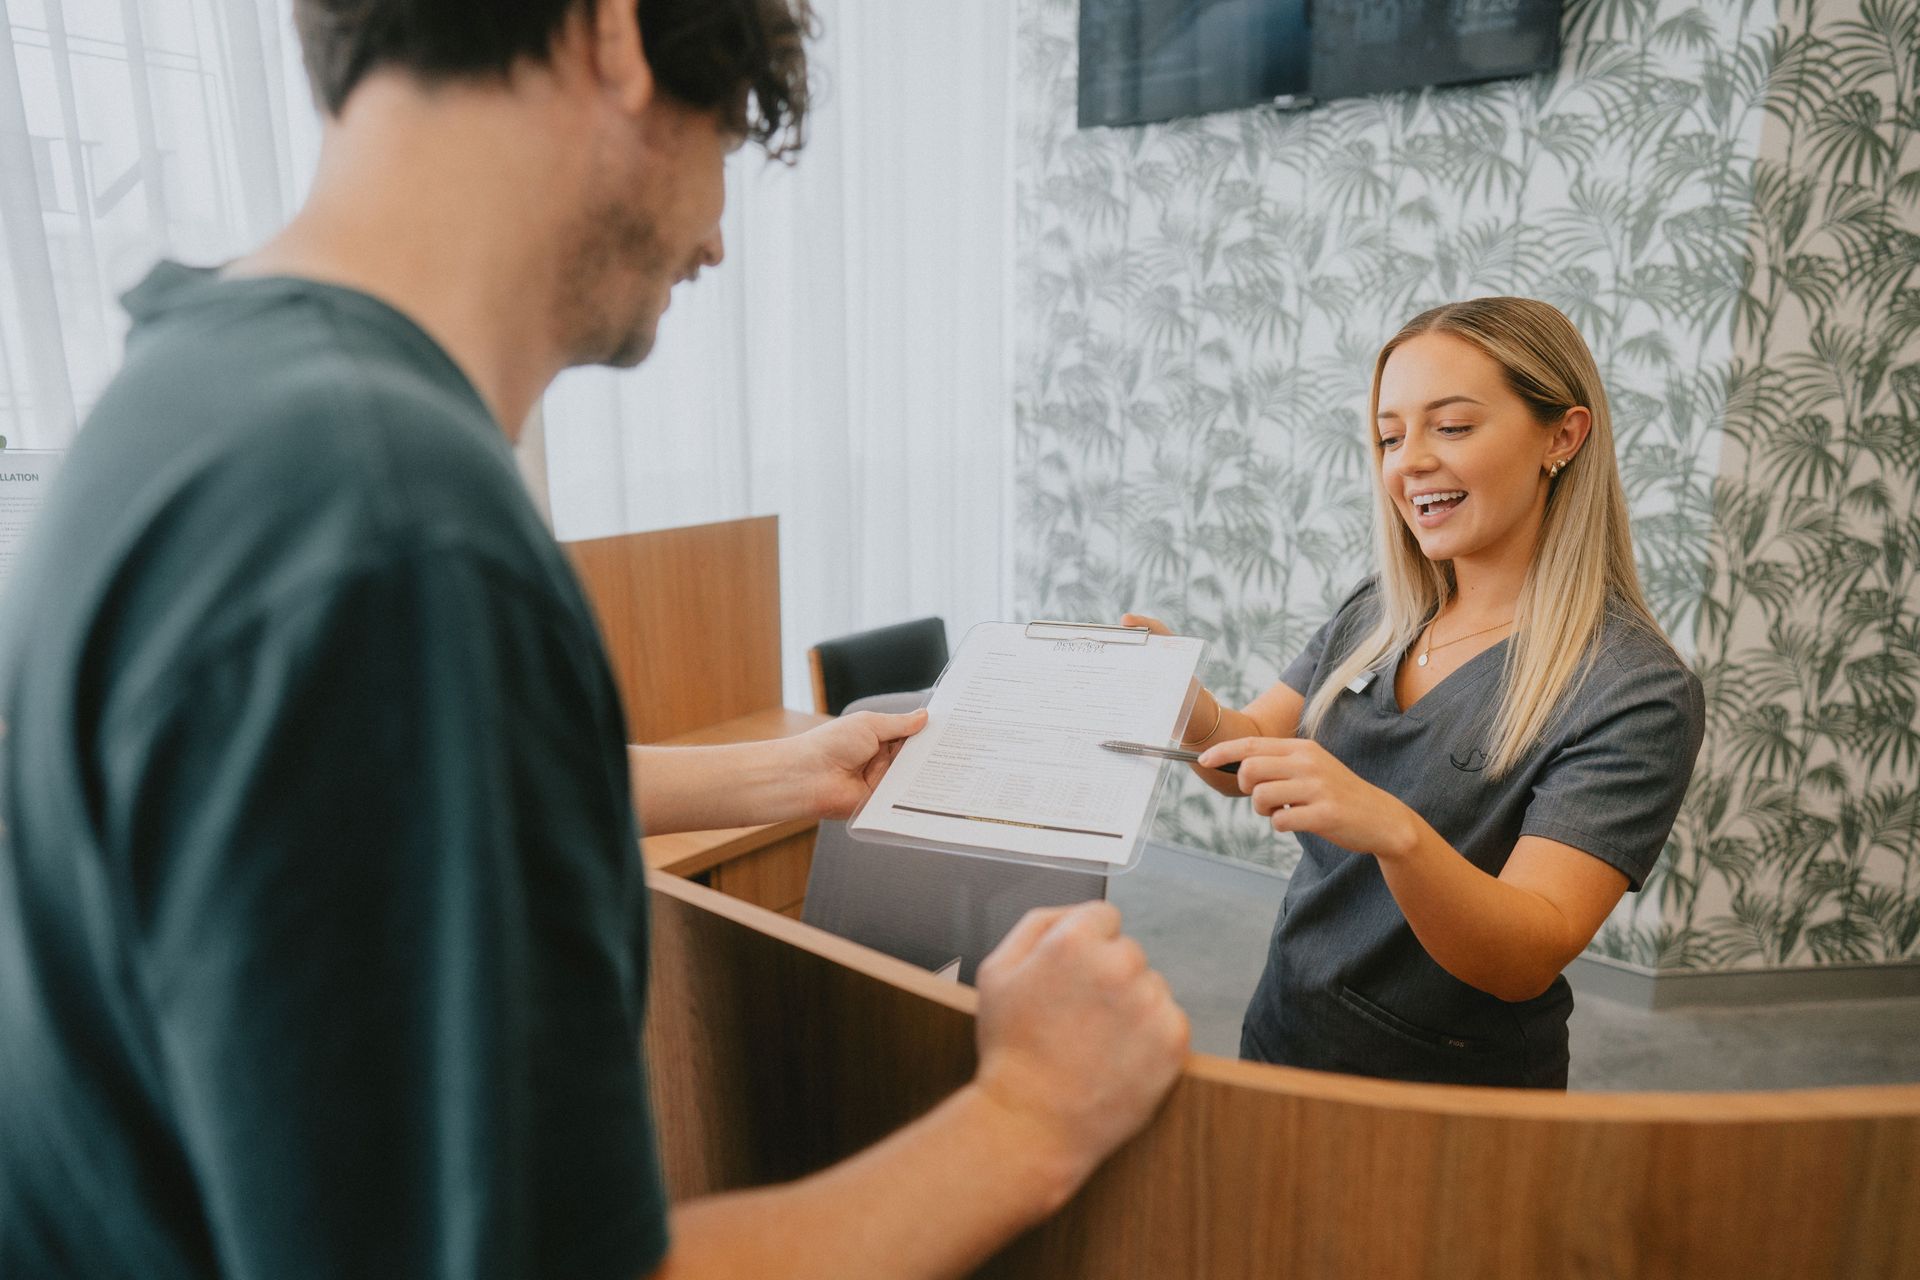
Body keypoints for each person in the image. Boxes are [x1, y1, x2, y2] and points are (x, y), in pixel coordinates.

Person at [0, 2, 1190, 1277]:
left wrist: (785, 770)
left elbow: (410, 796)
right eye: (723, 138)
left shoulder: (203, 395)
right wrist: (1028, 1116)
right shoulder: (395, 527)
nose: (716, 237)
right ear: (613, 36)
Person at [1126, 297, 1703, 1089]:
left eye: (1452, 427)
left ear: (1563, 437)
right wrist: (1189, 709)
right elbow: (1246, 754)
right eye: (1390, 437)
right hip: (1287, 1024)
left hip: (1447, 1092)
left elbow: (1525, 957)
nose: (1409, 463)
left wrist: (1395, 832)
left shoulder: (1633, 691)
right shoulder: (1378, 611)